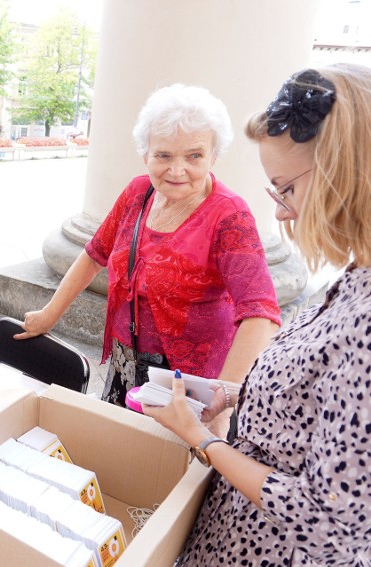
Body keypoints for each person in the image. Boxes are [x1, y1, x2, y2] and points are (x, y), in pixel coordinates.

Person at [144, 64, 371, 565]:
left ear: (346, 177)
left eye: (286, 189)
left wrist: (203, 440)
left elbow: (329, 522)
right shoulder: (355, 277)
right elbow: (311, 405)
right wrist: (230, 392)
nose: (282, 212)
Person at [18, 84, 281, 432]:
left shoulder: (229, 215)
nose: (177, 170)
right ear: (146, 155)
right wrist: (48, 315)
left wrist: (223, 397)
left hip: (191, 383)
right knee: (120, 452)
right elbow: (94, 254)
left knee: (171, 472)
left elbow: (261, 314)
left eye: (194, 156)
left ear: (214, 156)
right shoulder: (137, 192)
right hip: (128, 362)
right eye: (164, 155)